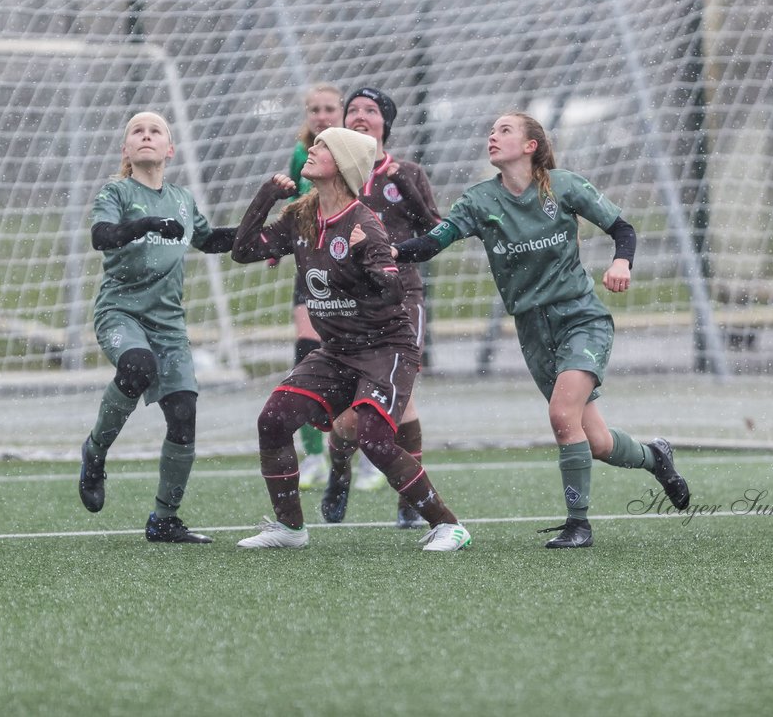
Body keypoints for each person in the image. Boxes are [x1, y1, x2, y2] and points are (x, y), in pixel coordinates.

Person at [394, 112, 691, 549]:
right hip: (532, 331)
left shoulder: (564, 186)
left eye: (504, 130)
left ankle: (579, 525)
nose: (492, 136)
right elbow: (432, 243)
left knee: (560, 416)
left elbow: (622, 228)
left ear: (531, 145)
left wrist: (621, 262)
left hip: (580, 319)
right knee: (600, 442)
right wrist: (383, 252)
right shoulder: (478, 201)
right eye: (491, 129)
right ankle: (656, 457)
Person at [230, 126, 471, 552]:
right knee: (273, 419)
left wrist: (364, 257)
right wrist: (268, 194)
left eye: (322, 145)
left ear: (341, 166)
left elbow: (394, 292)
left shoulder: (365, 224)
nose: (312, 148)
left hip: (386, 347)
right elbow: (243, 250)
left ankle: (448, 525)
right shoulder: (302, 214)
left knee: (374, 438)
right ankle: (290, 529)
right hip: (338, 350)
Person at [77, 110, 237, 544]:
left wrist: (265, 237)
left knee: (184, 414)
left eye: (155, 131)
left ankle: (164, 520)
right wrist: (144, 224)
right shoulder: (117, 191)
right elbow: (102, 236)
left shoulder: (183, 200)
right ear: (127, 149)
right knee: (137, 367)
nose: (145, 136)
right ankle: (95, 452)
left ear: (169, 149)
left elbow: (210, 240)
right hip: (121, 313)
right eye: (137, 131)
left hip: (168, 324)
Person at [320, 86, 442, 530]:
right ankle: (338, 474)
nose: (360, 116)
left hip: (400, 299)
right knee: (348, 412)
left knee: (398, 399)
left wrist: (392, 253)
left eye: (370, 110)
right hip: (347, 305)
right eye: (352, 109)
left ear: (385, 124)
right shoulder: (331, 176)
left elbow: (437, 234)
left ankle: (411, 498)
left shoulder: (405, 173)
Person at [284, 83, 344, 492]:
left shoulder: (355, 153)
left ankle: (359, 449)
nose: (321, 116)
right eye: (314, 109)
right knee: (307, 355)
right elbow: (294, 202)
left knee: (353, 360)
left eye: (328, 109)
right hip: (311, 271)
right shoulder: (300, 156)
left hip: (351, 269)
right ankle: (314, 455)